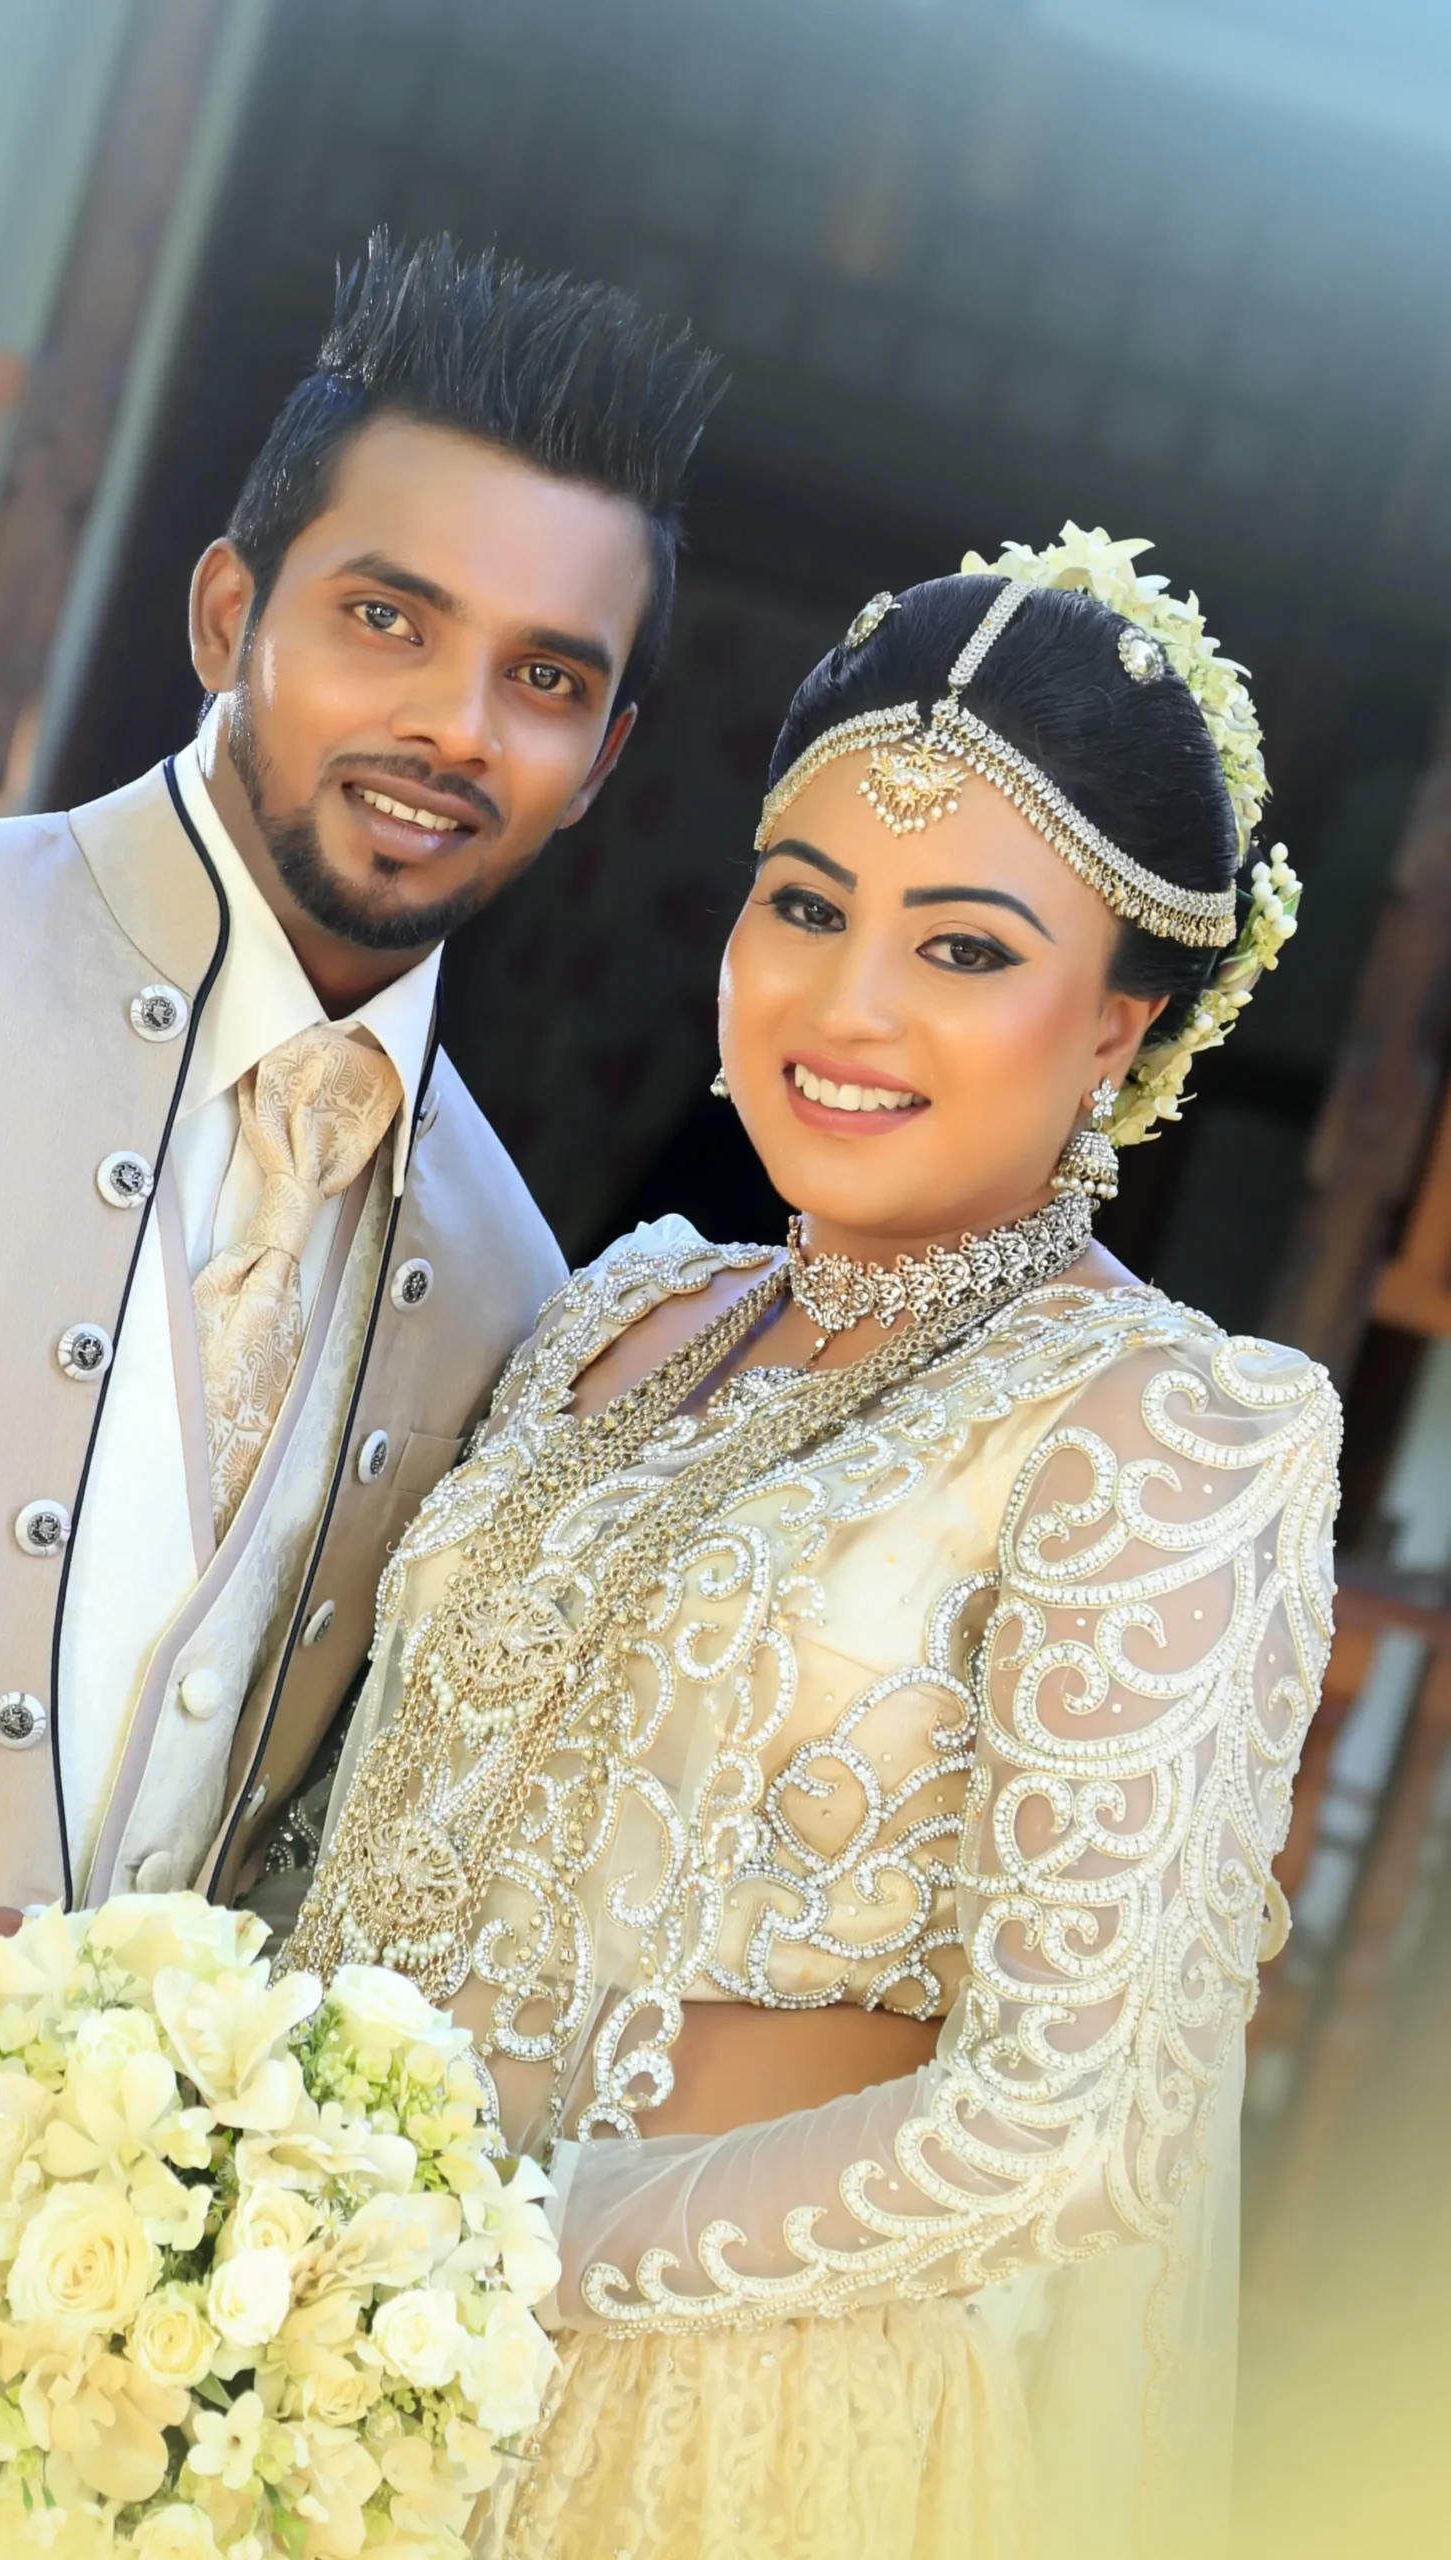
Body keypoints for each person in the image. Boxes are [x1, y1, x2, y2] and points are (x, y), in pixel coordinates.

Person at [283, 527, 1340, 2558]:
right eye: (800, 904)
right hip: (307, 2359)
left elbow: (1062, 2121)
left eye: (960, 947)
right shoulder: (611, 1310)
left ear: (1116, 1021)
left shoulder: (1146, 1422)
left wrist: (497, 2253)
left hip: (704, 2443)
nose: (843, 1003)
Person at [0, 234, 721, 2100]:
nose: (456, 725)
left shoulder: (513, 1281)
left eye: (547, 678)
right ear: (224, 614)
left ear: (602, 759)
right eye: (387, 620)